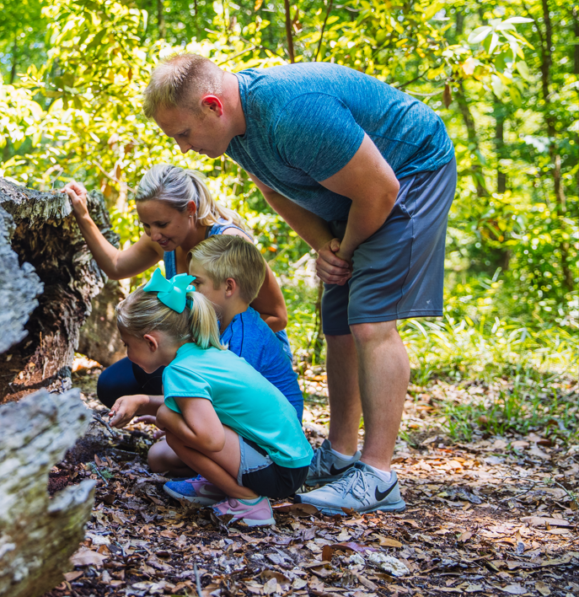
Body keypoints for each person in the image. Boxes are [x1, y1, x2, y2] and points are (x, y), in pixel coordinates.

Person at [143, 53, 457, 515]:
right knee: (339, 321)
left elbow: (380, 190)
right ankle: (341, 454)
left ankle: (378, 475)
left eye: (184, 134)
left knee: (370, 320)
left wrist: (344, 250)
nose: (184, 149)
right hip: (355, 193)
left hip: (409, 173)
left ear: (212, 106)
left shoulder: (292, 113)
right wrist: (323, 246)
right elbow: (273, 189)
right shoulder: (234, 131)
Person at [62, 164, 291, 411]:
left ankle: (192, 422)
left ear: (190, 210)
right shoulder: (165, 241)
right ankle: (177, 416)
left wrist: (208, 347)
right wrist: (83, 215)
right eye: (147, 226)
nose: (154, 234)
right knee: (113, 384)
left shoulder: (229, 245)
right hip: (194, 352)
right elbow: (117, 265)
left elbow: (277, 317)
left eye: (161, 223)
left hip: (243, 357)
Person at [108, 270, 312, 526]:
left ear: (151, 342)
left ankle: (248, 501)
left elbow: (212, 440)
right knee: (175, 418)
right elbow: (201, 408)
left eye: (127, 344)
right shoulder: (205, 355)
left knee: (172, 427)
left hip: (277, 471)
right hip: (291, 463)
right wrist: (144, 402)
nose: (127, 353)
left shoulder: (180, 371)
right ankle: (224, 487)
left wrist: (165, 419)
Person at [190, 235, 303, 421]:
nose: (191, 289)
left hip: (274, 435)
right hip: (254, 420)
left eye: (197, 283)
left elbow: (229, 397)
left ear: (228, 287)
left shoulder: (246, 338)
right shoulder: (222, 323)